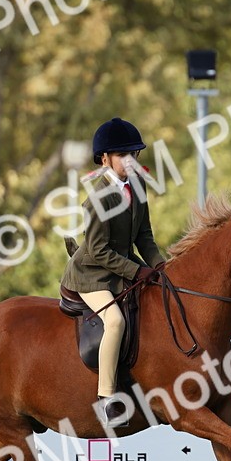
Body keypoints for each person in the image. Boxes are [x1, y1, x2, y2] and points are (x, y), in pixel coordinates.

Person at [61, 117, 165, 428]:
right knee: (116, 321)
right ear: (105, 159)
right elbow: (97, 251)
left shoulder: (138, 184)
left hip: (120, 267)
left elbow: (144, 235)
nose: (130, 160)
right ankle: (107, 399)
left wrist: (160, 266)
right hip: (91, 274)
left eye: (134, 154)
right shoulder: (97, 198)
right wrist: (136, 271)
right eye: (123, 155)